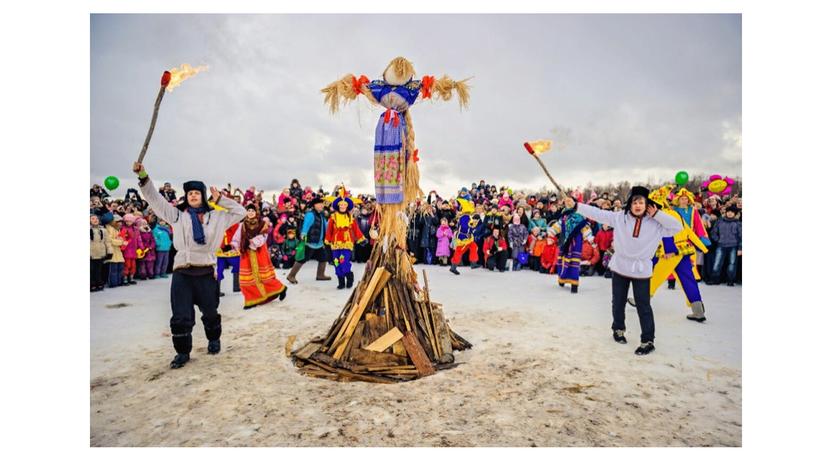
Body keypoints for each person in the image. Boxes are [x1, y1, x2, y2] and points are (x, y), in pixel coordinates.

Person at [134, 161, 247, 369]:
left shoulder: (217, 216)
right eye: (190, 193)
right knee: (180, 316)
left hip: (205, 272)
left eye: (197, 193)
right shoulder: (177, 216)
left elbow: (241, 212)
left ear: (203, 195)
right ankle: (182, 352)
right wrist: (143, 178)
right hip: (183, 274)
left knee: (211, 312)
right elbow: (156, 201)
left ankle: (214, 339)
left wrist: (222, 199)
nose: (193, 196)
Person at [575, 186, 683, 356]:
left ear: (648, 204)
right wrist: (577, 206)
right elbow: (598, 213)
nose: (638, 205)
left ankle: (648, 340)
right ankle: (618, 329)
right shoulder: (619, 217)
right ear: (630, 204)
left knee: (643, 305)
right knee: (618, 301)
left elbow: (678, 227)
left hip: (641, 270)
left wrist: (657, 214)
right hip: (620, 266)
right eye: (635, 202)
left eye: (641, 202)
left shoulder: (657, 223)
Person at [642, 186, 710, 322]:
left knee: (655, 275)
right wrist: (702, 246)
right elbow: (689, 232)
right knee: (688, 280)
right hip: (684, 249)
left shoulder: (660, 216)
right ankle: (698, 311)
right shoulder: (675, 213)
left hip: (671, 252)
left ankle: (641, 301)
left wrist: (669, 249)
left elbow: (667, 233)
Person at [232, 204, 288, 308]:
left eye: (252, 211)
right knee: (247, 279)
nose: (250, 212)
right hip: (246, 254)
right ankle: (251, 299)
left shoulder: (262, 223)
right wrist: (235, 245)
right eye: (249, 210)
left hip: (259, 252)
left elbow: (263, 236)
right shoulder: (242, 225)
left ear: (256, 212)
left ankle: (281, 288)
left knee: (264, 277)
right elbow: (237, 237)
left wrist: (252, 242)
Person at [548, 196, 594, 293]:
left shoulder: (580, 216)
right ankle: (562, 279)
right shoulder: (564, 215)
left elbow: (585, 228)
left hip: (576, 242)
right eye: (566, 201)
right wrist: (551, 232)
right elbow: (558, 225)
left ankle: (574, 284)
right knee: (562, 261)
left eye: (570, 201)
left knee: (574, 263)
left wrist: (590, 238)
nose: (568, 203)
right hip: (564, 241)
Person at [324, 190, 365, 289]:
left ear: (347, 206)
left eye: (344, 205)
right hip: (335, 244)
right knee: (336, 262)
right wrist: (327, 240)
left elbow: (356, 229)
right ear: (338, 206)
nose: (342, 206)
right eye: (341, 205)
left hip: (346, 243)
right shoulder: (333, 218)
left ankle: (349, 276)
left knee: (343, 261)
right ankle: (341, 281)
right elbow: (329, 230)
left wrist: (361, 239)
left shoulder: (350, 218)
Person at [287, 196, 332, 284]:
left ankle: (320, 275)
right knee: (302, 259)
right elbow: (306, 225)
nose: (321, 205)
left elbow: (326, 226)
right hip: (310, 242)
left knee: (323, 258)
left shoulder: (322, 215)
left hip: (319, 243)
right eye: (319, 204)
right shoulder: (310, 214)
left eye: (322, 204)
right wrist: (303, 234)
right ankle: (291, 275)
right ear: (314, 205)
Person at [709, 205, 742, 286]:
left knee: (732, 263)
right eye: (728, 212)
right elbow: (713, 232)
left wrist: (740, 248)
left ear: (735, 214)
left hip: (733, 246)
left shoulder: (738, 223)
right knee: (717, 262)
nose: (730, 213)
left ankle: (730, 280)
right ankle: (715, 279)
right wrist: (718, 240)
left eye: (732, 212)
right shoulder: (720, 221)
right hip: (721, 245)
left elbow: (742, 236)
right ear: (726, 212)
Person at [119, 214, 143, 286]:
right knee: (127, 265)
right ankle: (125, 278)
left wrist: (141, 247)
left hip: (134, 250)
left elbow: (139, 239)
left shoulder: (136, 229)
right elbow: (122, 238)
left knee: (133, 265)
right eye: (127, 221)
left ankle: (131, 277)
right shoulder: (123, 229)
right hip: (127, 250)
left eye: (130, 221)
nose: (128, 223)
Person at [104, 214, 125, 288]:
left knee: (119, 267)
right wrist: (120, 242)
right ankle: (113, 283)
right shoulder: (109, 228)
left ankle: (119, 281)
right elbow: (109, 240)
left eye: (121, 221)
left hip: (118, 251)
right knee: (113, 269)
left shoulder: (117, 229)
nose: (120, 223)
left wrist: (121, 241)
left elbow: (119, 239)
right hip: (112, 251)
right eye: (118, 221)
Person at [90, 214, 108, 292]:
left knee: (99, 269)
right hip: (91, 253)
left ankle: (99, 282)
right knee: (91, 270)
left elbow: (107, 241)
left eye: (96, 218)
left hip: (100, 253)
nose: (95, 220)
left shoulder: (103, 230)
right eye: (93, 219)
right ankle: (91, 283)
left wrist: (109, 251)